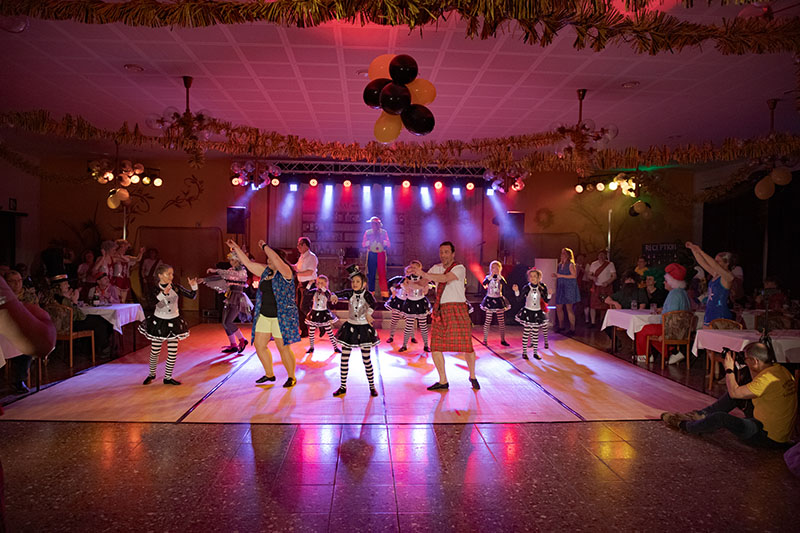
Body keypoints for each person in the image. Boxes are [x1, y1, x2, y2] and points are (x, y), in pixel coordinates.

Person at [661, 342, 797, 447]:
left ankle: (684, 425)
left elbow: (734, 392)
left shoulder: (766, 380)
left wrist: (729, 370)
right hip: (780, 433)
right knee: (734, 397)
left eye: (746, 359)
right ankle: (701, 415)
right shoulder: (780, 370)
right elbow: (744, 389)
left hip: (766, 435)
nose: (745, 361)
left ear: (755, 361)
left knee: (721, 417)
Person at [228, 239, 299, 388]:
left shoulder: (286, 273)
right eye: (267, 259)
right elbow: (248, 263)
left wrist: (265, 246)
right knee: (259, 345)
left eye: (271, 259)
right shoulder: (266, 272)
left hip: (281, 317)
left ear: (278, 259)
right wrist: (235, 248)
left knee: (283, 348)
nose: (268, 261)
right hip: (265, 315)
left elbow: (277, 260)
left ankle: (291, 376)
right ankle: (269, 374)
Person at [411, 241, 479, 391]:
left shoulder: (459, 268)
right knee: (435, 346)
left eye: (446, 252)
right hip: (441, 311)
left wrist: (423, 273)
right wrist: (409, 281)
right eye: (441, 252)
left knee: (467, 347)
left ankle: (472, 376)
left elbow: (445, 278)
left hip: (457, 310)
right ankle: (443, 380)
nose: (443, 255)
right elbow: (422, 283)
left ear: (453, 254)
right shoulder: (436, 268)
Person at [138, 264, 197, 385]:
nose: (171, 276)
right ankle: (151, 374)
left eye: (172, 274)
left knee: (172, 352)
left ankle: (168, 377)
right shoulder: (154, 289)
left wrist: (194, 286)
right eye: (168, 274)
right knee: (155, 351)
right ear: (160, 275)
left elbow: (192, 296)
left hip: (173, 321)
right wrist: (163, 294)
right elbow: (152, 303)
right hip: (159, 322)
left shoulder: (176, 287)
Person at [331, 265, 380, 397]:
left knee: (366, 359)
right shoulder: (350, 293)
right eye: (353, 281)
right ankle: (342, 386)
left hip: (364, 329)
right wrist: (334, 295)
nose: (355, 284)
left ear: (364, 283)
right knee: (344, 358)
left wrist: (369, 313)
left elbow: (374, 304)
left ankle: (372, 386)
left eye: (358, 281)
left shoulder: (367, 295)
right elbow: (337, 293)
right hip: (350, 328)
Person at [634, 263, 691, 359]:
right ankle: (672, 352)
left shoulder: (673, 294)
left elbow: (670, 316)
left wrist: (664, 333)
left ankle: (644, 356)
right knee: (650, 332)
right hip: (682, 329)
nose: (664, 283)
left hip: (671, 329)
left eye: (666, 281)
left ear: (672, 282)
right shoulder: (683, 293)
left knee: (641, 330)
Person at [2, 270, 46, 393]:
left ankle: (19, 380)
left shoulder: (29, 296)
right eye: (13, 281)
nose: (17, 284)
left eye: (19, 280)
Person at [204, 252, 252, 354]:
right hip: (230, 297)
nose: (231, 262)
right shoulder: (231, 270)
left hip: (237, 298)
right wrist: (205, 279)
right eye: (230, 260)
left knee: (228, 322)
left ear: (238, 260)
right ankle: (233, 345)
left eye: (233, 260)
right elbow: (222, 278)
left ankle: (242, 340)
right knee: (225, 323)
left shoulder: (241, 271)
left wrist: (215, 270)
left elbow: (228, 274)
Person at [685, 242, 734, 326]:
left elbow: (714, 265)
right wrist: (693, 249)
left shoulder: (728, 277)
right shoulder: (716, 274)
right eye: (715, 261)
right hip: (710, 312)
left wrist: (701, 251)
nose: (715, 263)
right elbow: (702, 263)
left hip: (720, 314)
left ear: (727, 263)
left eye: (718, 261)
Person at [513, 268, 550, 360]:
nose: (533, 278)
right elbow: (519, 299)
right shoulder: (526, 288)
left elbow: (546, 300)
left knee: (535, 333)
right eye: (531, 276)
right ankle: (524, 352)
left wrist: (549, 294)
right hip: (528, 312)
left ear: (539, 278)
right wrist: (516, 291)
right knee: (526, 332)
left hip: (537, 312)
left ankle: (535, 353)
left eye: (535, 276)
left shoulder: (541, 288)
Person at [399, 261, 432, 353]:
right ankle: (404, 345)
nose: (413, 269)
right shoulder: (406, 279)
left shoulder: (423, 278)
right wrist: (406, 284)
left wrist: (424, 286)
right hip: (410, 302)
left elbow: (425, 291)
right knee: (408, 326)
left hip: (421, 302)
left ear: (419, 269)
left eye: (415, 268)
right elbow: (403, 288)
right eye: (412, 267)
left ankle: (426, 345)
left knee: (423, 326)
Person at [304, 274, 341, 354]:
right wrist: (309, 284)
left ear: (326, 284)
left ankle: (335, 347)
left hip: (323, 314)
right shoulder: (314, 291)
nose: (319, 284)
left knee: (329, 332)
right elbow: (306, 293)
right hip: (314, 313)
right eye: (318, 283)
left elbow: (328, 295)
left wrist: (323, 287)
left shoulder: (327, 292)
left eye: (322, 283)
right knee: (311, 332)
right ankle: (311, 347)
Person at [480, 260, 511, 347]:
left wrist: (499, 277)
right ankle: (485, 339)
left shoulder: (501, 278)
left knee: (501, 321)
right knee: (488, 320)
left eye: (497, 268)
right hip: (489, 300)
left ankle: (503, 339)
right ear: (491, 269)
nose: (495, 269)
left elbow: (506, 286)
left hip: (498, 300)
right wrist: (491, 276)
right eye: (493, 268)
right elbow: (484, 283)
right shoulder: (488, 277)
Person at [292, 237, 318, 337]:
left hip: (309, 284)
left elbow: (310, 272)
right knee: (299, 307)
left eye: (299, 244)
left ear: (305, 245)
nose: (297, 247)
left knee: (304, 306)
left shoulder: (312, 257)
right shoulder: (302, 257)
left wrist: (296, 272)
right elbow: (297, 267)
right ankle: (304, 330)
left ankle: (315, 321)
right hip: (300, 284)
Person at [553, 247, 580, 334]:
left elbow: (574, 276)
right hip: (561, 287)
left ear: (568, 255)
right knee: (559, 307)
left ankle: (572, 328)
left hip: (569, 287)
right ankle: (561, 326)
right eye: (562, 253)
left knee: (569, 308)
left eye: (564, 253)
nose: (562, 255)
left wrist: (560, 275)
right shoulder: (560, 265)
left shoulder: (570, 264)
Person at [362, 216, 390, 297]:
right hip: (372, 254)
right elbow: (363, 244)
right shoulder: (368, 232)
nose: (373, 225)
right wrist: (370, 241)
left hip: (381, 254)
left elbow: (388, 244)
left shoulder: (384, 232)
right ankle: (371, 293)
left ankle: (384, 294)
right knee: (371, 274)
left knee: (382, 274)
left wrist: (382, 241)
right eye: (372, 224)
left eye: (375, 224)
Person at [588, 250, 616, 327]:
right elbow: (589, 275)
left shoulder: (610, 264)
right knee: (593, 305)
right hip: (596, 287)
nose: (601, 256)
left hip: (606, 287)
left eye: (603, 255)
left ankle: (603, 322)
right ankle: (593, 322)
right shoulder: (594, 264)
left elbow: (614, 276)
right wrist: (592, 278)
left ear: (605, 256)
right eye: (600, 255)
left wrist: (607, 282)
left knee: (605, 305)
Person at [384, 273, 411, 344]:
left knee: (409, 321)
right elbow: (389, 282)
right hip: (398, 302)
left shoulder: (414, 282)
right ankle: (391, 336)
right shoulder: (398, 279)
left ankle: (413, 337)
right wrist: (392, 290)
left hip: (407, 303)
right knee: (394, 320)